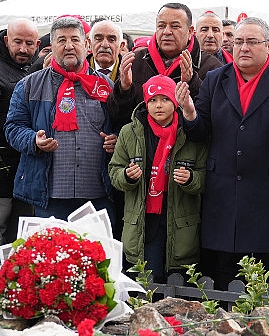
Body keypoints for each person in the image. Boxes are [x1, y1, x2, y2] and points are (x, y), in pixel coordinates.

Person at [175, 17, 269, 297]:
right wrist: (189, 112)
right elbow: (200, 132)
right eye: (238, 42)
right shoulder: (216, 79)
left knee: (268, 290)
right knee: (225, 286)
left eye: (252, 42)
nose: (243, 48)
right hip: (225, 198)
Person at [5, 17, 116, 221]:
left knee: (98, 252)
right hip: (48, 195)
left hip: (98, 194)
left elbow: (121, 125)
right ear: (51, 46)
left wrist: (115, 138)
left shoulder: (106, 86)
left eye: (75, 39)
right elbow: (13, 128)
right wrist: (33, 140)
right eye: (61, 40)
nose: (69, 46)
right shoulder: (29, 85)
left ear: (86, 45)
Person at [109, 75, 206, 283]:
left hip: (180, 222)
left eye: (165, 99)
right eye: (152, 100)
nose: (158, 106)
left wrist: (191, 179)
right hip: (143, 222)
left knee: (177, 287)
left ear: (175, 102)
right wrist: (126, 175)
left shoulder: (189, 134)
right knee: (145, 285)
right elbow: (114, 171)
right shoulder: (130, 132)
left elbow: (206, 176)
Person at [108, 2, 222, 131]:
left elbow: (212, 118)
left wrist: (191, 82)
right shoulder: (135, 60)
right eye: (161, 26)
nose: (167, 32)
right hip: (142, 147)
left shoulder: (211, 66)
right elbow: (116, 116)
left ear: (190, 31)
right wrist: (124, 89)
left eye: (175, 26)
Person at [0, 18, 38, 244]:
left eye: (29, 43)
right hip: (3, 168)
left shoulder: (30, 70)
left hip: (23, 168)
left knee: (17, 235)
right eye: (17, 42)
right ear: (6, 40)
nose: (23, 49)